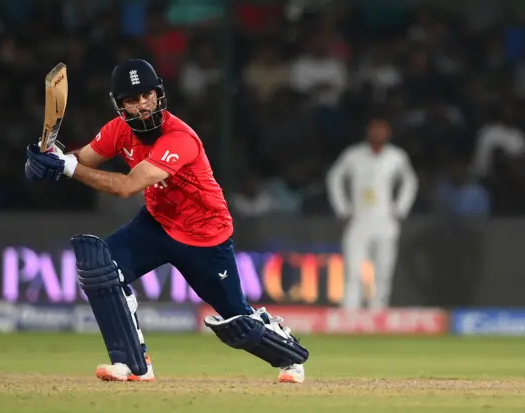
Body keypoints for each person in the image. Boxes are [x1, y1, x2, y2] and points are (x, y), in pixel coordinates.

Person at [24, 59, 308, 383]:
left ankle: (289, 356)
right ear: (120, 105)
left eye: (147, 95)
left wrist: (65, 168)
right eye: (132, 99)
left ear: (159, 95)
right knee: (98, 267)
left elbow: (127, 186)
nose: (142, 105)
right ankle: (132, 365)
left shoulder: (180, 138)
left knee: (236, 320)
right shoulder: (118, 129)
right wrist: (48, 157)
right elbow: (80, 159)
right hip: (157, 224)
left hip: (204, 236)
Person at [326, 118, 418, 310]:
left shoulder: (396, 156)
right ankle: (350, 310)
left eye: (381, 132)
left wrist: (400, 209)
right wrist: (343, 208)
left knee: (384, 269)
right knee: (354, 269)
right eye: (374, 131)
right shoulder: (353, 155)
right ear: (367, 134)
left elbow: (410, 181)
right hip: (358, 219)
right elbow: (334, 177)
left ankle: (378, 311)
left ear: (388, 135)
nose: (377, 136)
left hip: (385, 219)